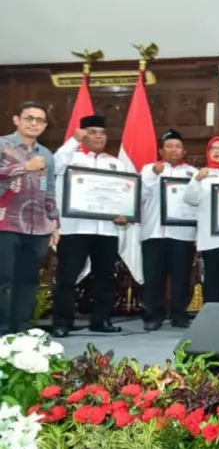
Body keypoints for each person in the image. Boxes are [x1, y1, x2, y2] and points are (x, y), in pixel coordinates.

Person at [51, 114, 127, 337]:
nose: (98, 137)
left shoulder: (116, 163)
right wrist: (73, 140)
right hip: (75, 228)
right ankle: (62, 322)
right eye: (92, 132)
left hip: (107, 230)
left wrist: (125, 214)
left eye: (102, 133)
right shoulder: (70, 158)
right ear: (82, 135)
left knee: (106, 277)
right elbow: (53, 166)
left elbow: (125, 193)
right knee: (67, 277)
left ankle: (101, 320)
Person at [0, 102, 59, 335]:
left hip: (38, 227)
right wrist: (25, 166)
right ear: (16, 120)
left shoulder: (46, 155)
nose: (34, 124)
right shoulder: (3, 145)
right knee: (3, 279)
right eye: (29, 118)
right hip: (5, 223)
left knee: (28, 281)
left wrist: (54, 223)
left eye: (40, 120)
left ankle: (21, 332)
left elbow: (50, 190)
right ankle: (3, 332)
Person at [139, 128, 196, 330]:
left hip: (183, 234)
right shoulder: (148, 170)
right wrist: (153, 175)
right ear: (161, 151)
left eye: (178, 146)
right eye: (169, 146)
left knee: (182, 276)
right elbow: (138, 196)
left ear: (184, 151)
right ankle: (153, 315)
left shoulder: (193, 173)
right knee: (153, 277)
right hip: (153, 232)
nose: (174, 150)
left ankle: (179, 314)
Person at [181, 135, 219, 302]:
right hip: (210, 238)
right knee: (212, 282)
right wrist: (196, 179)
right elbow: (190, 199)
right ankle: (212, 315)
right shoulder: (202, 174)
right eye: (214, 148)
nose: (218, 151)